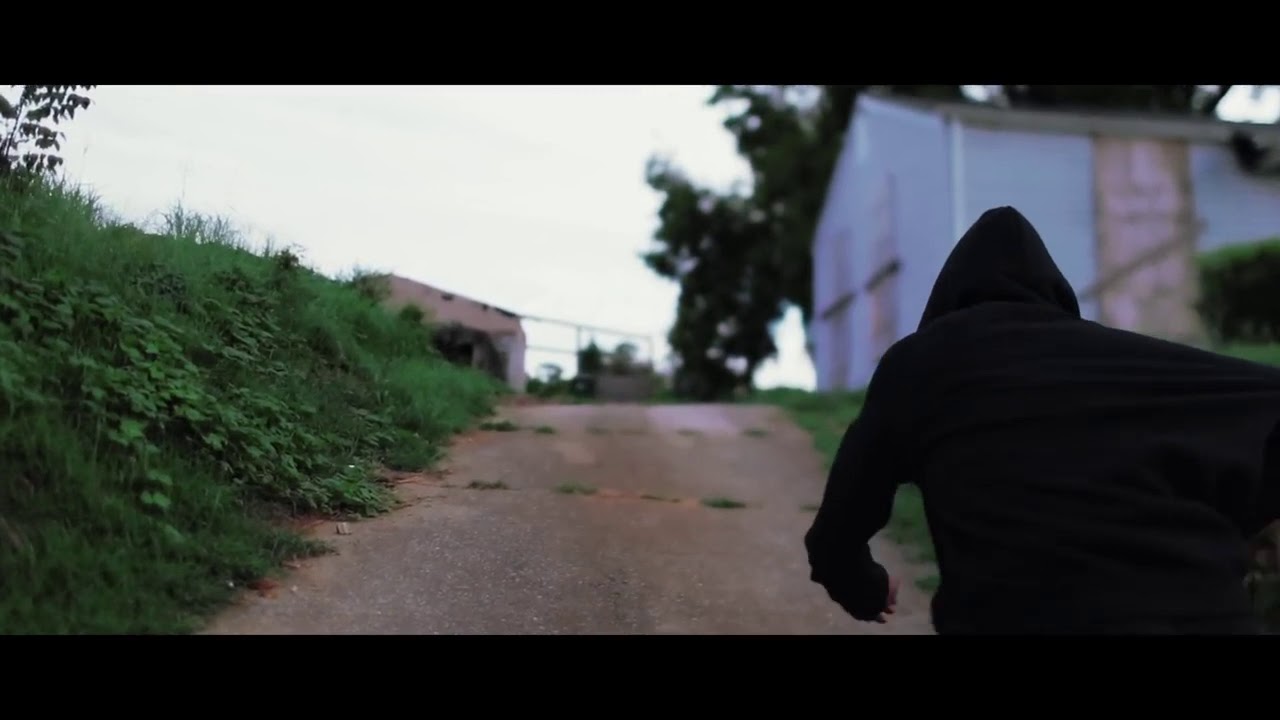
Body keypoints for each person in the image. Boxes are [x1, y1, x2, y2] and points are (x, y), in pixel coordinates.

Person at [804, 206, 1280, 635]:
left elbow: (835, 534)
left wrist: (865, 590)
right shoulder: (1130, 366)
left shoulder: (919, 365)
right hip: (1205, 612)